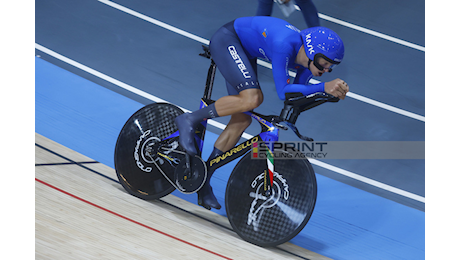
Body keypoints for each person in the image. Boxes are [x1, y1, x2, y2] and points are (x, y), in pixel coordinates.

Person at [175, 16, 349, 210]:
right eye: (325, 63)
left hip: (245, 51)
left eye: (331, 66)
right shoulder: (284, 44)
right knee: (253, 98)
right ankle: (189, 120)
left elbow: (295, 97)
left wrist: (326, 95)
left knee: (242, 120)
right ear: (311, 52)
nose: (327, 69)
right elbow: (283, 91)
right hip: (228, 40)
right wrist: (324, 87)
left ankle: (203, 179)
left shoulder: (309, 65)